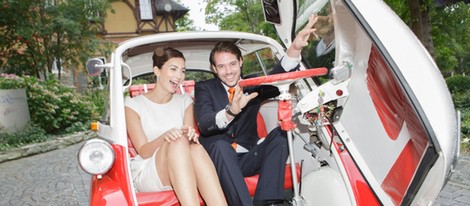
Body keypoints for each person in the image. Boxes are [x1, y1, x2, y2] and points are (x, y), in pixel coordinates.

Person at [194, 15, 318, 206]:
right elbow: (204, 123)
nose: (228, 71)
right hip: (219, 164)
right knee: (219, 145)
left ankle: (268, 201)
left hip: (247, 158)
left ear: (241, 62)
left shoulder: (251, 84)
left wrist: (294, 49)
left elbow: (277, 76)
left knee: (283, 133)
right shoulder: (204, 88)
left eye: (232, 64)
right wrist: (230, 112)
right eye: (221, 66)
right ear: (214, 68)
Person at [125, 47, 227, 206]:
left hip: (182, 163)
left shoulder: (185, 101)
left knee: (196, 148)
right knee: (177, 140)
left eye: (183, 71)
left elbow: (189, 144)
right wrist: (166, 136)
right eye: (173, 69)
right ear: (157, 71)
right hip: (148, 170)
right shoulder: (133, 105)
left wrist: (190, 134)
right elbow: (143, 151)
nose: (179, 76)